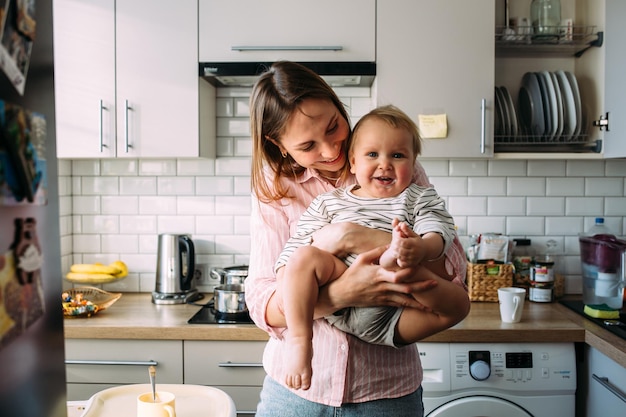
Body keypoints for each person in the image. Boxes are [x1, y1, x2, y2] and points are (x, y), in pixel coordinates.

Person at [247, 61, 470, 417]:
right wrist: (343, 293)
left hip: (386, 389)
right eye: (308, 145)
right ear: (280, 145)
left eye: (334, 126)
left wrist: (354, 236)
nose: (330, 150)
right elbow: (262, 301)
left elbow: (452, 272)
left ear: (337, 104)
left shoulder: (394, 163)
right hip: (296, 395)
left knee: (459, 305)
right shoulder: (275, 188)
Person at [274, 105, 461, 390]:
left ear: (414, 163)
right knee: (304, 256)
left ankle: (391, 261)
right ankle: (300, 342)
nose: (385, 163)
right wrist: (290, 278)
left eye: (398, 155)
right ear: (353, 162)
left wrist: (420, 248)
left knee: (456, 306)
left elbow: (441, 232)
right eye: (372, 154)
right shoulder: (330, 202)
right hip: (336, 288)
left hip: (393, 312)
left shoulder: (418, 197)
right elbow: (295, 247)